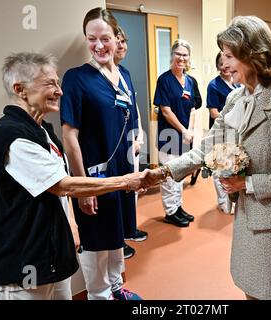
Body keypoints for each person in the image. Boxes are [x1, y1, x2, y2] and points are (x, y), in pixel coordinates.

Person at [145, 16, 271, 299]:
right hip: (247, 213)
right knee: (250, 287)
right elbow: (208, 147)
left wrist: (245, 184)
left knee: (269, 291)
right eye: (222, 55)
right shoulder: (236, 99)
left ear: (254, 55)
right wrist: (163, 172)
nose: (223, 63)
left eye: (229, 55)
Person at [0, 52, 146, 300]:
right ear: (20, 89)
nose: (59, 91)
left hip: (49, 257)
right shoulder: (11, 136)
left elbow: (56, 185)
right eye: (50, 84)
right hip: (20, 268)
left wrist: (72, 225)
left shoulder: (42, 130)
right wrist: (127, 181)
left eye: (58, 83)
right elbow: (63, 185)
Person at [60, 7, 142, 300]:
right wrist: (83, 188)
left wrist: (138, 139)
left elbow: (131, 119)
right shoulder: (76, 79)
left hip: (123, 174)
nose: (99, 46)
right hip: (94, 176)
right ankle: (99, 294)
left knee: (116, 235)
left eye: (105, 38)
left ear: (117, 38)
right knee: (96, 241)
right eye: (91, 39)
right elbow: (70, 137)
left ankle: (116, 287)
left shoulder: (125, 75)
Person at [154, 39, 197, 228]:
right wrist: (183, 130)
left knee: (180, 174)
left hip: (185, 136)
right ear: (172, 55)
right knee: (170, 175)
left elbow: (193, 108)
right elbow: (165, 110)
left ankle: (178, 207)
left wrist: (191, 131)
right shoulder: (164, 80)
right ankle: (170, 211)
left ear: (189, 58)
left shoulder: (191, 81)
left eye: (185, 54)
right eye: (178, 54)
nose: (181, 58)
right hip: (169, 136)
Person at [114, 26, 148, 259]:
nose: (122, 46)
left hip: (132, 142)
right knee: (118, 190)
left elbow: (133, 108)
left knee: (132, 188)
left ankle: (129, 228)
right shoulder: (97, 77)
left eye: (124, 41)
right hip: (117, 147)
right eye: (117, 41)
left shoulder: (124, 72)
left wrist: (139, 135)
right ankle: (118, 237)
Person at [206, 51, 238, 213]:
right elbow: (214, 112)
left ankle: (231, 199)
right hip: (221, 133)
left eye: (228, 63)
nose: (225, 67)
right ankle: (222, 201)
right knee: (219, 168)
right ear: (217, 65)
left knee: (232, 168)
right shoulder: (213, 86)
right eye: (221, 64)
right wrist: (234, 121)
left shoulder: (238, 84)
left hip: (235, 134)